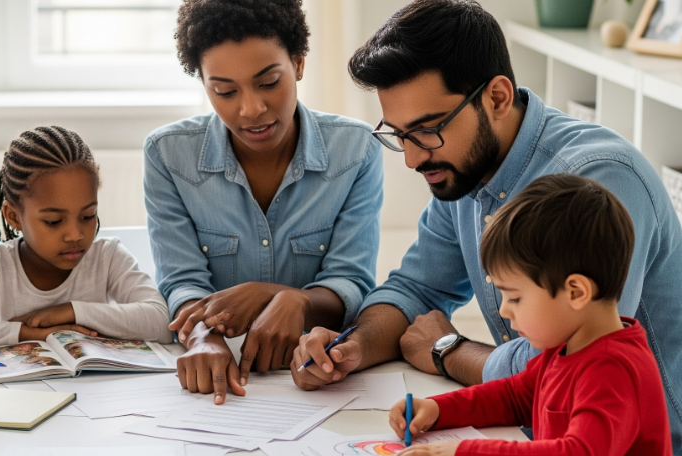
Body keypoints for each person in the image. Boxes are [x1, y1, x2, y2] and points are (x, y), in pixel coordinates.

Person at [291, 0, 682, 450]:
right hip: (533, 432)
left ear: (496, 97)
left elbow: (555, 360)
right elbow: (415, 289)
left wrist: (448, 351)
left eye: (425, 131)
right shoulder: (465, 171)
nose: (414, 159)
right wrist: (352, 348)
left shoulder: (597, 180)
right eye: (400, 137)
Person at [144, 0, 383, 404]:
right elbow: (181, 279)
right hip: (220, 382)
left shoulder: (356, 150)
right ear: (203, 83)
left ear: (299, 64)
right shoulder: (168, 156)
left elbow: (351, 283)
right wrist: (202, 335)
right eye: (224, 90)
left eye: (269, 82)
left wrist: (295, 300)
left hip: (314, 379)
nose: (251, 109)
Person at [390, 174, 671, 455]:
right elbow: (513, 398)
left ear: (576, 292)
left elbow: (578, 452)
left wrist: (461, 452)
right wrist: (439, 409)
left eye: (514, 297)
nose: (504, 310)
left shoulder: (612, 369)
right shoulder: (567, 346)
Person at [0, 126, 173, 347]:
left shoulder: (107, 256)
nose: (75, 234)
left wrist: (71, 312)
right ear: (14, 216)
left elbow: (160, 322)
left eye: (87, 216)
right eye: (53, 221)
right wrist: (27, 334)